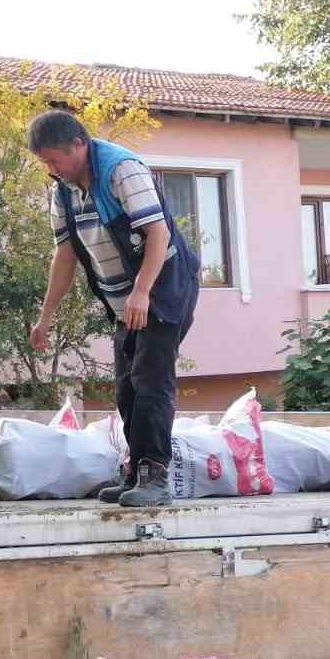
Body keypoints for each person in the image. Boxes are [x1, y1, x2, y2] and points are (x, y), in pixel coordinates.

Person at [27, 110, 199, 507]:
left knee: (150, 379)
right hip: (125, 300)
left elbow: (157, 233)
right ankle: (136, 471)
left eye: (55, 159)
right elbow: (65, 255)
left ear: (78, 144)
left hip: (163, 287)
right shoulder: (63, 192)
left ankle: (155, 477)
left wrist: (142, 292)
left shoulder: (122, 170)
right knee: (126, 388)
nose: (52, 169)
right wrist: (45, 316)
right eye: (45, 163)